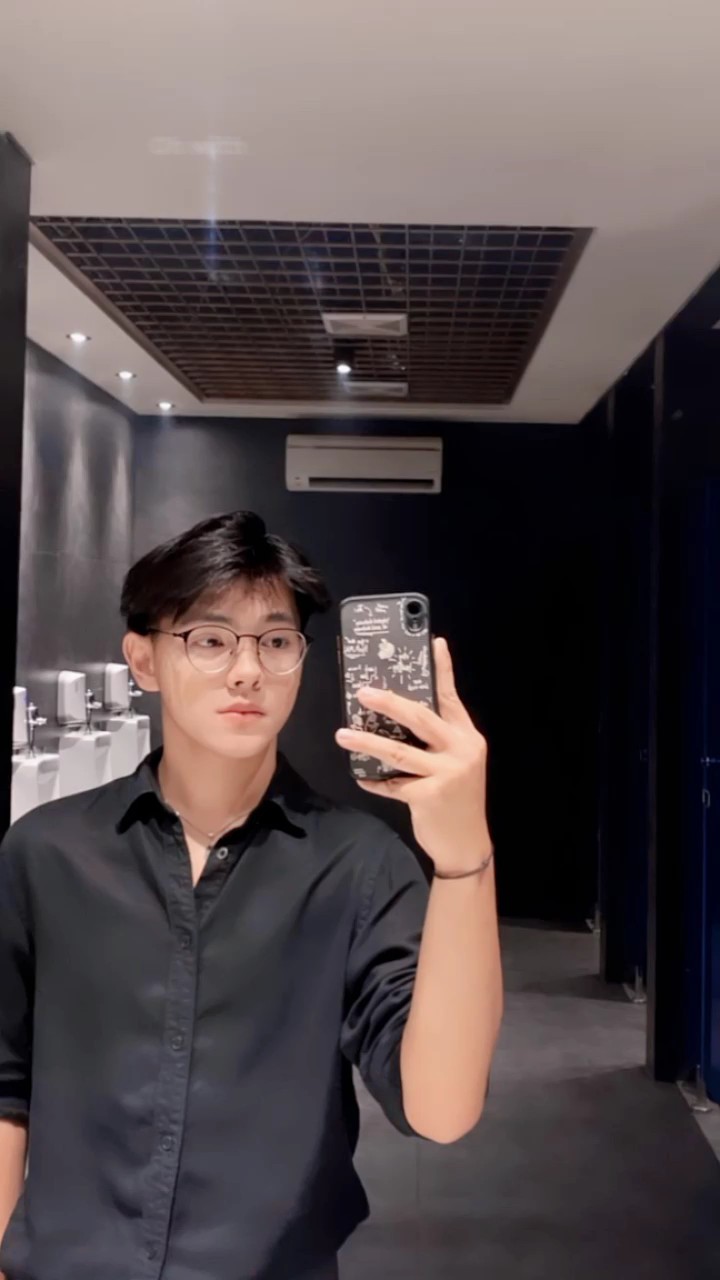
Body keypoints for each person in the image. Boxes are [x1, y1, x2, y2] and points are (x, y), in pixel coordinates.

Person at [0, 511, 503, 1280]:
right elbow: (7, 1084)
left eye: (275, 641)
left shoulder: (359, 865)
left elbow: (440, 1111)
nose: (247, 671)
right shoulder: (47, 852)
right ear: (143, 659)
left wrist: (465, 860)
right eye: (210, 639)